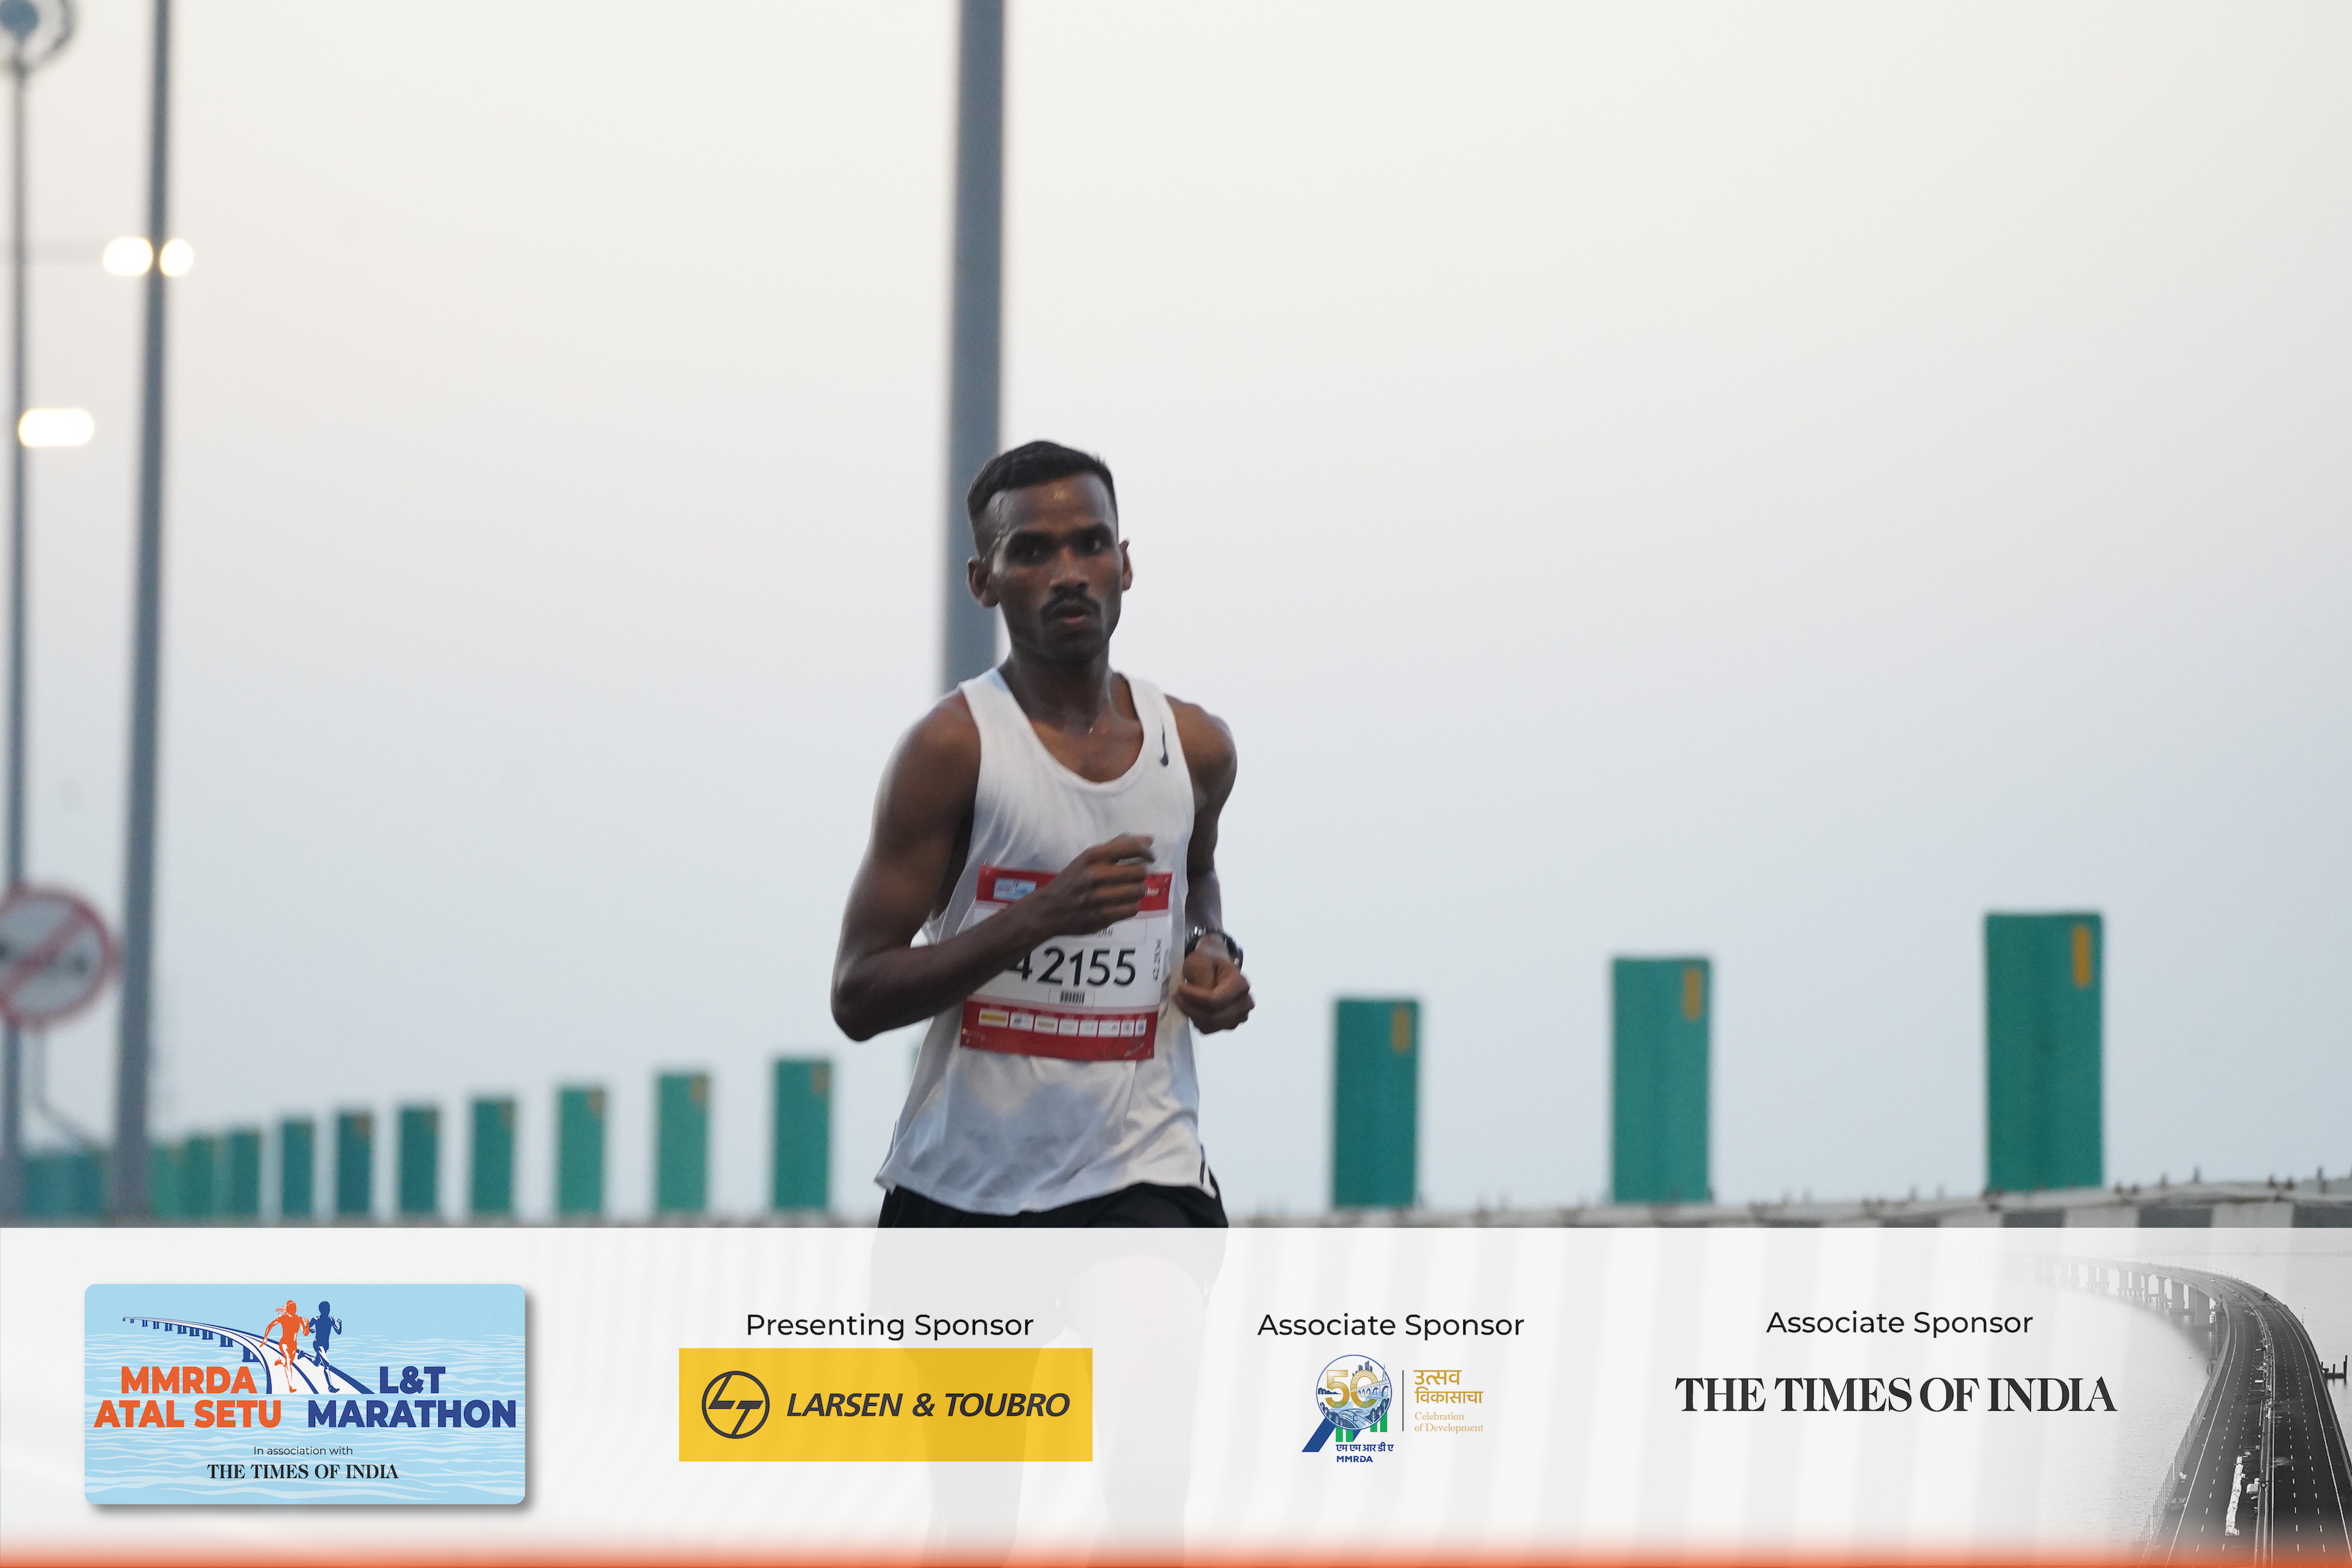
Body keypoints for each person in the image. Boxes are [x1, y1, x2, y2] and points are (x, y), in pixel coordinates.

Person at [833, 439, 1254, 1226]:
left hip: (1145, 1166)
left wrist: (1212, 947)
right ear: (982, 581)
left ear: (1125, 564)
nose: (1068, 573)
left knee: (1145, 1305)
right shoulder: (950, 751)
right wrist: (1039, 917)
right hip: (963, 1184)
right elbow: (858, 995)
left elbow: (1196, 875)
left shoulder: (1196, 747)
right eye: (1031, 552)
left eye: (1091, 544)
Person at [264, 1299, 309, 1369]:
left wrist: (307, 1324)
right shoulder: (282, 1318)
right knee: (288, 1360)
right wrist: (265, 1338)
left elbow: (305, 1334)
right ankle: (289, 1377)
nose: (294, 1310)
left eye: (294, 1308)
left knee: (289, 1363)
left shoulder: (299, 1319)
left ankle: (281, 1362)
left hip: (293, 1344)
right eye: (292, 1308)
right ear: (288, 1309)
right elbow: (270, 1326)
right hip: (284, 1343)